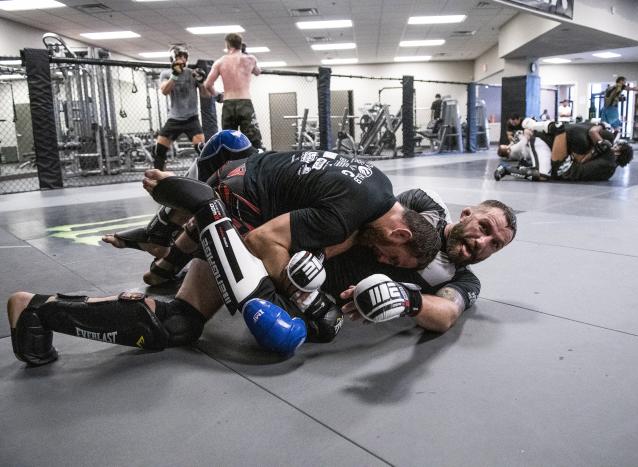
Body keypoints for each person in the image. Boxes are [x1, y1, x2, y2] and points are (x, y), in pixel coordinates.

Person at [8, 133, 442, 366]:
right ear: (400, 235)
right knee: (281, 332)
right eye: (392, 259)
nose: (383, 264)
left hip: (243, 189)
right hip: (239, 203)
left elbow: (325, 231)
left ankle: (37, 310)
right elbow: (260, 241)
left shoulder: (380, 189)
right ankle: (197, 205)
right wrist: (306, 300)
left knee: (180, 324)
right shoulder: (348, 215)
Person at [325, 192, 517, 332]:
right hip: (316, 252)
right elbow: (363, 223)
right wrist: (321, 254)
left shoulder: (465, 280)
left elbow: (448, 313)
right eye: (484, 228)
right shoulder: (425, 205)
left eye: (495, 244)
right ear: (465, 214)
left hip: (328, 301)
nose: (482, 243)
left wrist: (406, 298)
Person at [494, 120, 633, 182]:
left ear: (619, 152)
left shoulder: (608, 156)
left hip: (564, 166)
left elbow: (583, 159)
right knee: (543, 175)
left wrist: (600, 127)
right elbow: (592, 136)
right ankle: (556, 127)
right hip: (550, 150)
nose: (614, 147)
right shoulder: (609, 166)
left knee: (543, 174)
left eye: (617, 147)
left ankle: (509, 169)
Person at [153, 45, 210, 170]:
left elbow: (205, 95)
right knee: (159, 150)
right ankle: (158, 179)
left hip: (192, 118)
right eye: (179, 57)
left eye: (184, 57)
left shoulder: (192, 73)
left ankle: (207, 176)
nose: (182, 60)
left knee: (202, 149)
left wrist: (201, 83)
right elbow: (164, 91)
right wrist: (175, 75)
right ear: (173, 59)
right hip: (174, 119)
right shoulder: (166, 74)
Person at [204, 33, 263, 149]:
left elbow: (207, 84)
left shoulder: (220, 62)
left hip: (228, 103)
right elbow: (257, 72)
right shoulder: (250, 59)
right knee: (253, 139)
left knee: (228, 141)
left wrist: (217, 95)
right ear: (241, 44)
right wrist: (246, 55)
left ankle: (230, 166)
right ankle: (255, 164)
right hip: (245, 103)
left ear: (227, 45)